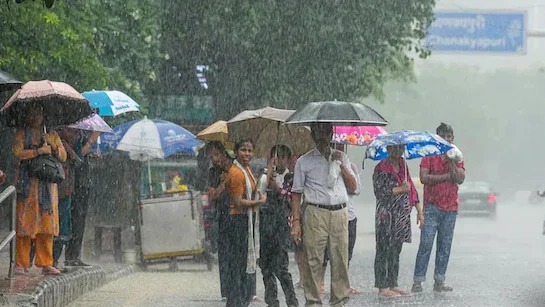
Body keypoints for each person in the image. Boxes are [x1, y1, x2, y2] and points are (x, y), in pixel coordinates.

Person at [290, 122, 357, 307]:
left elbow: (353, 187)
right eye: (318, 132)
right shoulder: (304, 161)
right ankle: (313, 301)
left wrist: (342, 165)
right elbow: (296, 193)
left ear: (331, 134)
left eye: (326, 132)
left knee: (340, 258)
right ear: (312, 135)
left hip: (339, 213)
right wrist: (296, 222)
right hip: (315, 212)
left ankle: (339, 300)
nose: (322, 136)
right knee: (313, 259)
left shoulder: (342, 156)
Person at [13, 105, 67, 275]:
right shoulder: (22, 134)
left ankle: (46, 263)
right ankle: (21, 263)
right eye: (32, 113)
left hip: (47, 186)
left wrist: (52, 145)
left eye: (39, 113)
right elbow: (17, 153)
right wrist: (37, 151)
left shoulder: (52, 134)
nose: (36, 117)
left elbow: (63, 156)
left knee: (47, 225)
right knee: (24, 225)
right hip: (27, 184)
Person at [412, 122, 465, 293]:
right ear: (437, 138)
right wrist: (445, 177)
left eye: (449, 137)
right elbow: (424, 178)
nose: (447, 140)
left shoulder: (457, 156)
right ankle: (418, 280)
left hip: (450, 208)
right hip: (432, 206)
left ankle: (439, 281)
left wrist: (450, 162)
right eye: (443, 137)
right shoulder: (429, 154)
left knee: (445, 245)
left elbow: (460, 178)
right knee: (426, 243)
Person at [373, 144, 421, 297]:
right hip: (386, 216)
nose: (398, 152)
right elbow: (380, 192)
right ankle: (382, 286)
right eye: (394, 149)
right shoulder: (381, 168)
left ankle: (393, 283)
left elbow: (411, 188)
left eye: (400, 149)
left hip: (400, 216)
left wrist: (419, 211)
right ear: (388, 150)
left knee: (395, 251)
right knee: (383, 250)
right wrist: (400, 189)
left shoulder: (403, 165)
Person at [224, 138, 266, 307]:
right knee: (238, 265)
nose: (247, 154)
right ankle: (235, 301)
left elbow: (253, 191)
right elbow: (238, 201)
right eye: (243, 150)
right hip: (237, 221)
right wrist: (258, 203)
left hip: (245, 219)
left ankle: (240, 300)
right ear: (236, 151)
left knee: (242, 264)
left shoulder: (246, 169)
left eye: (249, 151)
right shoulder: (236, 172)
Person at [259, 145, 298, 307]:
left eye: (282, 157)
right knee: (265, 265)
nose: (279, 160)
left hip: (281, 226)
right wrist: (268, 175)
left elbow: (290, 199)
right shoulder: (266, 175)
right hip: (265, 225)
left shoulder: (292, 178)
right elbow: (258, 192)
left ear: (288, 159)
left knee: (281, 267)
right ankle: (271, 300)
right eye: (276, 156)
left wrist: (277, 187)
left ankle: (291, 300)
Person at [320, 144, 361, 296]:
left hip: (348, 214)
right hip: (328, 212)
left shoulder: (350, 165)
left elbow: (355, 189)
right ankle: (321, 282)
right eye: (335, 146)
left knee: (346, 252)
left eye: (341, 146)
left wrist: (342, 166)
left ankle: (344, 283)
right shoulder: (322, 164)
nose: (338, 149)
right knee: (324, 251)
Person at [64, 129, 100, 267]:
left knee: (80, 220)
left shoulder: (80, 135)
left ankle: (75, 255)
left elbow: (83, 155)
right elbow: (77, 157)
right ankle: (70, 256)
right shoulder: (70, 135)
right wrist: (92, 140)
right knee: (75, 219)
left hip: (84, 183)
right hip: (74, 184)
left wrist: (90, 153)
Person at [52, 127, 83, 269]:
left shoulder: (70, 147)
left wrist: (70, 151)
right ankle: (49, 259)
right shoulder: (53, 141)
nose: (75, 135)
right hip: (53, 192)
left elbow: (77, 163)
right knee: (53, 227)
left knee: (64, 229)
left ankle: (55, 259)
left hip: (67, 192)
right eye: (71, 131)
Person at [206, 141, 233, 300]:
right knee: (224, 253)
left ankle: (243, 289)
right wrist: (224, 182)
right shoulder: (213, 172)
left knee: (238, 253)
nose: (214, 159)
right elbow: (213, 195)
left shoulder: (235, 167)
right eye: (211, 156)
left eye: (216, 154)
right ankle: (226, 290)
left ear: (223, 153)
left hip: (238, 213)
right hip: (222, 214)